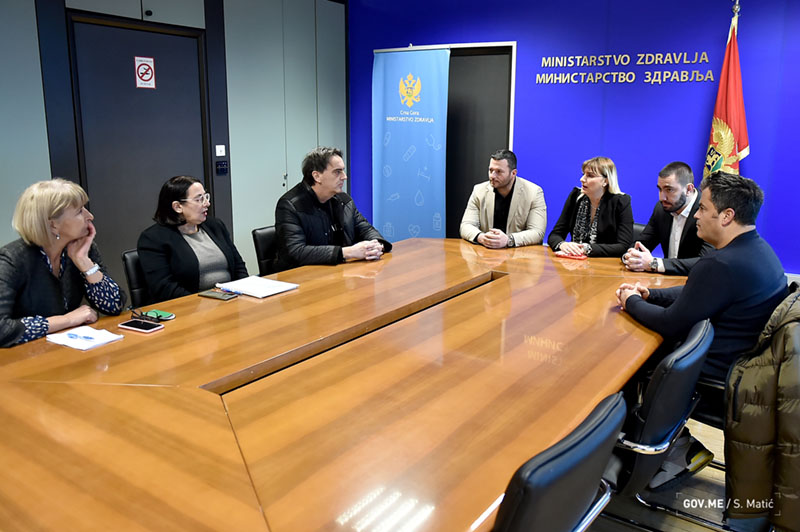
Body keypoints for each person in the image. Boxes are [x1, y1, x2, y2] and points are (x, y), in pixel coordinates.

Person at [616, 171, 788, 490]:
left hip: (717, 381)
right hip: (747, 367)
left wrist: (630, 302)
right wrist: (651, 295)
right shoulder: (756, 251)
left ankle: (649, 445)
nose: (696, 214)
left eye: (703, 208)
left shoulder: (720, 264)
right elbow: (697, 293)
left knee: (627, 360)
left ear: (727, 216)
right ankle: (676, 444)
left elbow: (670, 323)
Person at [0, 179, 125, 348]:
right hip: (23, 358)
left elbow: (114, 305)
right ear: (53, 225)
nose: (90, 216)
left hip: (65, 350)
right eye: (79, 211)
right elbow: (2, 329)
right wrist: (67, 320)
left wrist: (84, 262)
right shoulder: (11, 259)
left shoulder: (81, 249)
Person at [274, 146, 392, 270]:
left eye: (343, 171)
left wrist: (376, 244)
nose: (344, 176)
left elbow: (365, 229)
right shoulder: (290, 205)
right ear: (317, 176)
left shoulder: (344, 200)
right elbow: (295, 252)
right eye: (337, 172)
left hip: (338, 271)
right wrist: (347, 252)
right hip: (303, 276)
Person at [138, 176, 248, 302]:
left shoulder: (215, 225)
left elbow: (238, 266)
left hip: (231, 299)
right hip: (191, 306)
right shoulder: (153, 238)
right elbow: (165, 288)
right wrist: (205, 303)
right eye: (199, 199)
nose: (207, 203)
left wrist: (244, 291)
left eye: (206, 197)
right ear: (178, 207)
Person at [623, 161, 712, 275]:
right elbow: (642, 244)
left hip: (697, 280)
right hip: (666, 280)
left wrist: (655, 264)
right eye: (660, 189)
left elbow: (706, 262)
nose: (662, 198)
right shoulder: (661, 209)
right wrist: (630, 256)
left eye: (669, 190)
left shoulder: (706, 211)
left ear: (688, 189)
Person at [459, 149, 547, 248]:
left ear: (513, 173)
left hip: (519, 253)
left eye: (499, 172)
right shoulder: (479, 190)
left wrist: (508, 240)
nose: (492, 176)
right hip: (486, 252)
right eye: (491, 170)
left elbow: (537, 232)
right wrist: (481, 237)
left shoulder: (534, 193)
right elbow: (466, 225)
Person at [547, 156, 633, 257]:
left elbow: (623, 246)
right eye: (583, 174)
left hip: (603, 263)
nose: (582, 179)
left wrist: (587, 249)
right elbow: (555, 235)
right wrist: (563, 244)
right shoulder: (575, 196)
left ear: (605, 181)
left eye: (590, 176)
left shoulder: (620, 202)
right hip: (574, 261)